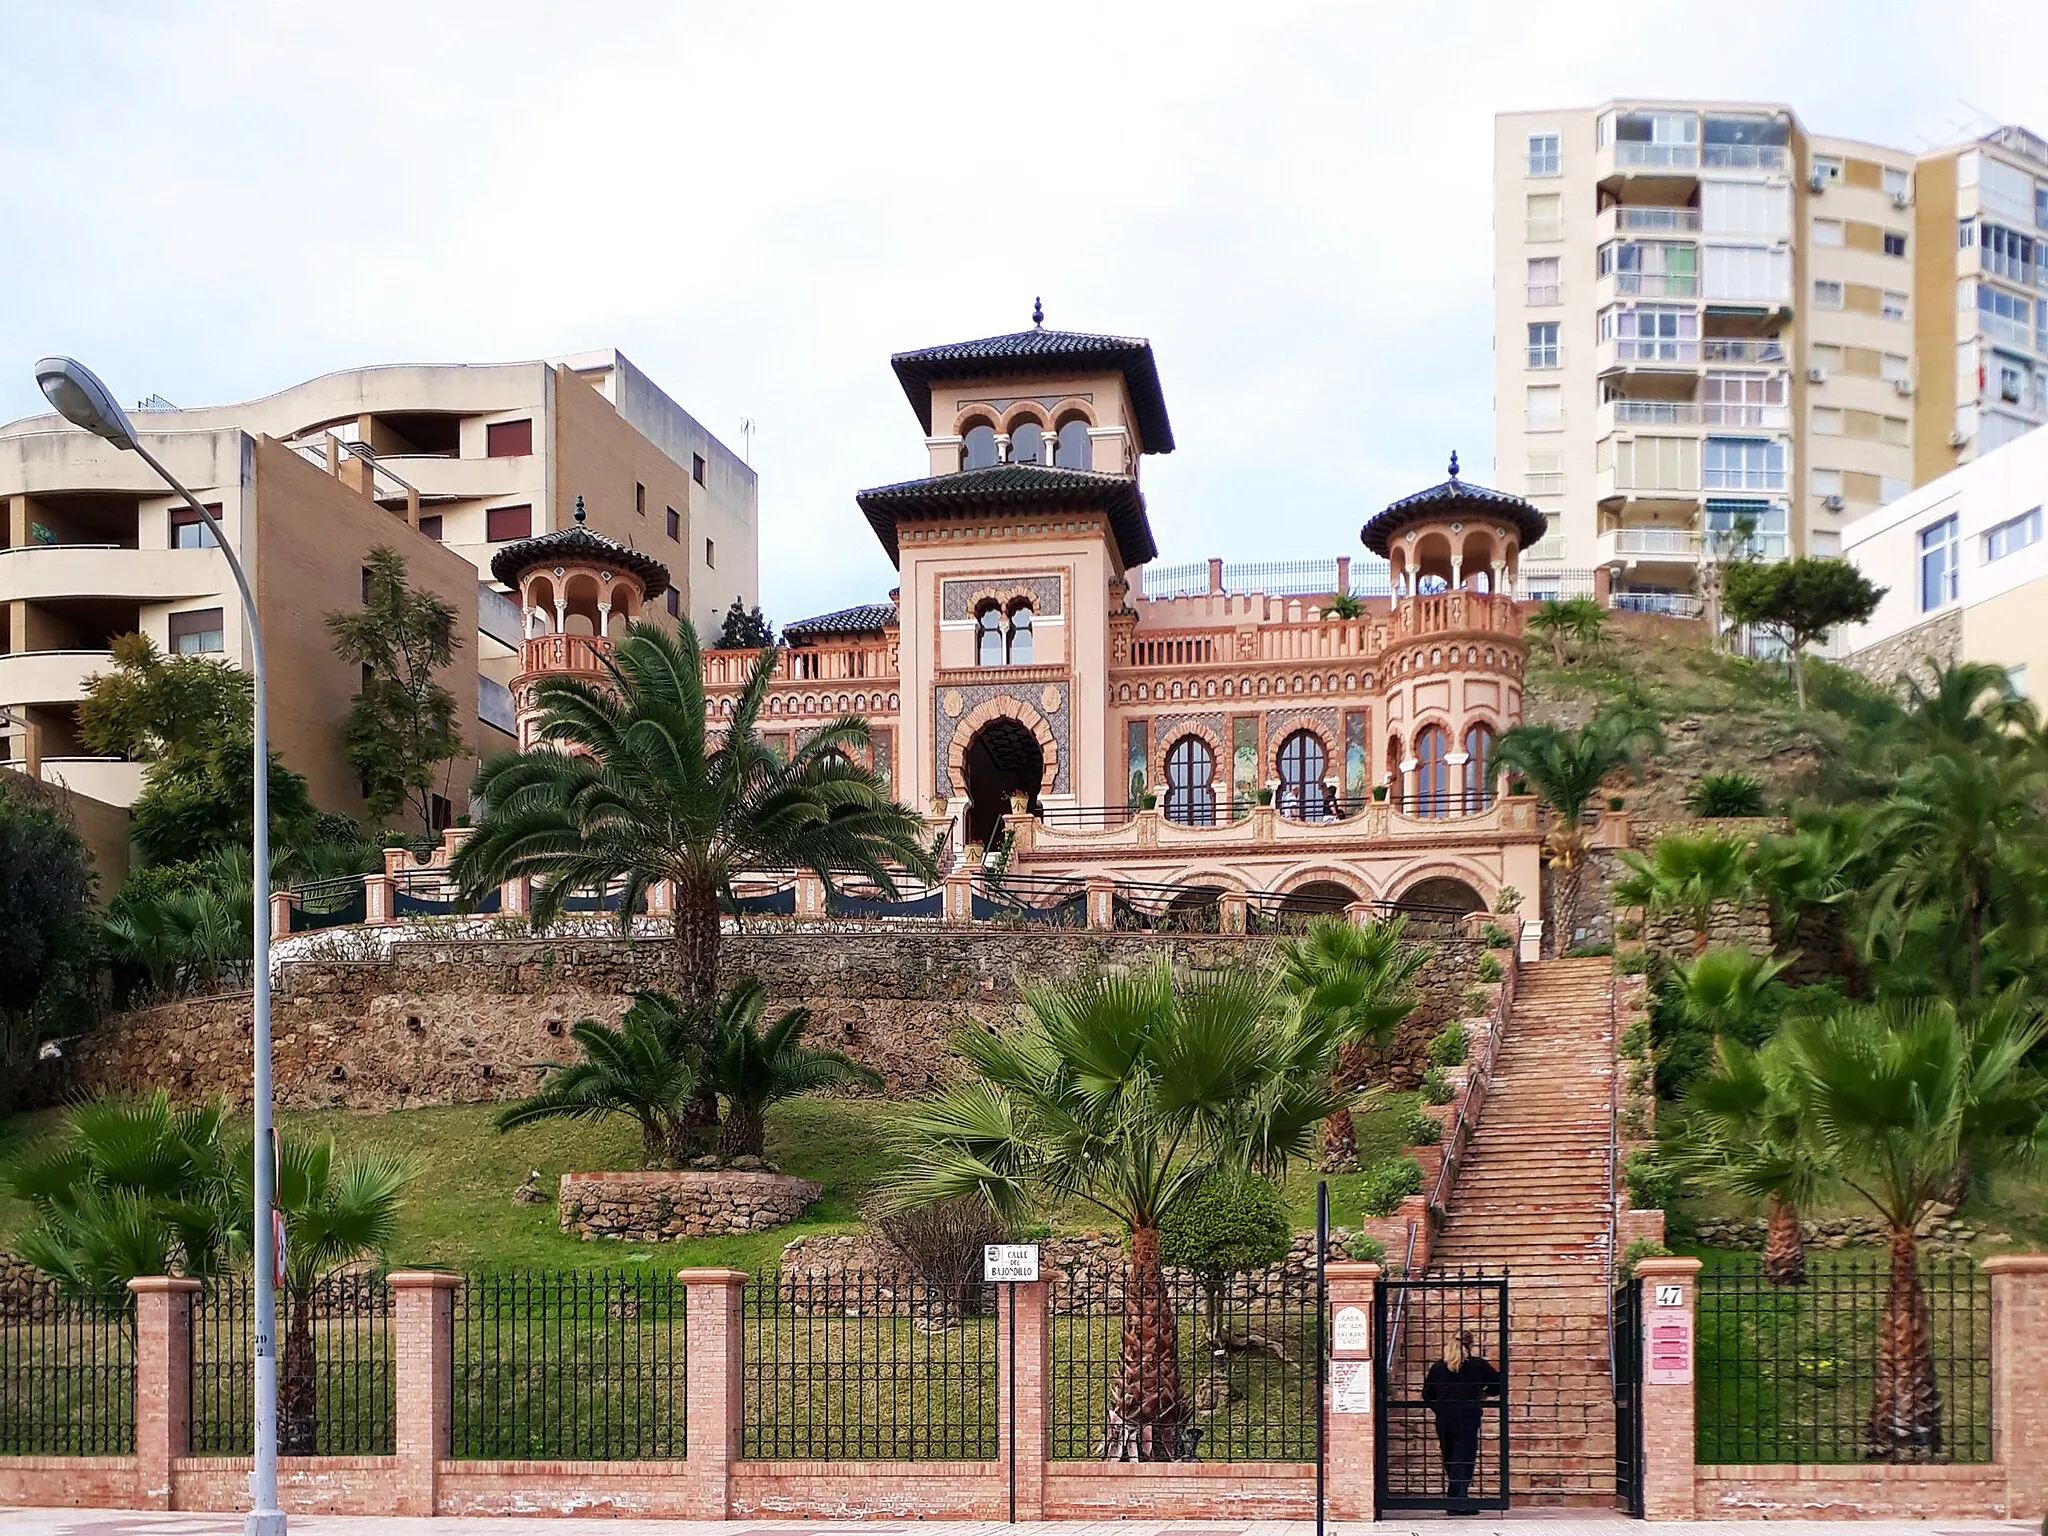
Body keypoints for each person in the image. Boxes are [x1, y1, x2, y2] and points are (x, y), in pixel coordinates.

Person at [1421, 1329, 1501, 1513]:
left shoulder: (1439, 1367)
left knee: (1450, 1456)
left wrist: (1440, 1408)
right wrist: (1484, 1394)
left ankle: (1456, 1497)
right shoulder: (1477, 1365)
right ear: (1471, 1346)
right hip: (1467, 1416)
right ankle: (1459, 1499)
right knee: (1464, 1457)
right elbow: (1498, 1383)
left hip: (1445, 1418)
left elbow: (1427, 1395)